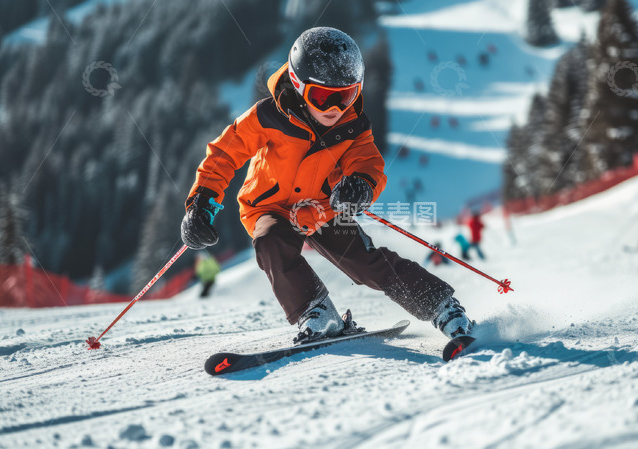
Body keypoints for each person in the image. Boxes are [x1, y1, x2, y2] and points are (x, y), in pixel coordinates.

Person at [180, 27, 473, 343]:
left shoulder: (353, 126)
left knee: (366, 263)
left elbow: (368, 163)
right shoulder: (268, 116)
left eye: (346, 96)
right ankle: (317, 312)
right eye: (323, 97)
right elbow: (225, 153)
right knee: (271, 243)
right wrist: (203, 200)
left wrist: (360, 185)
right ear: (298, 85)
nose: (335, 109)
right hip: (269, 206)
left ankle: (444, 308)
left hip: (323, 208)